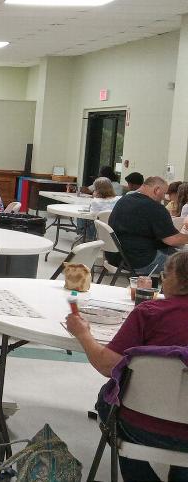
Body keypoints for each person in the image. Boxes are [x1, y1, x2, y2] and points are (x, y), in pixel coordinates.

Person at [66, 252, 188, 482]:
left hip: (142, 422)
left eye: (166, 274)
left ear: (179, 279)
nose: (162, 280)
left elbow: (106, 365)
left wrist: (83, 333)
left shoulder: (150, 313)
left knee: (108, 401)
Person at [108, 176, 188, 275]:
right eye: (163, 194)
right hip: (141, 261)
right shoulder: (155, 207)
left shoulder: (124, 200)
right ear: (157, 190)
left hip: (116, 257)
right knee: (184, 263)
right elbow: (172, 240)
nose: (163, 198)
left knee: (177, 254)